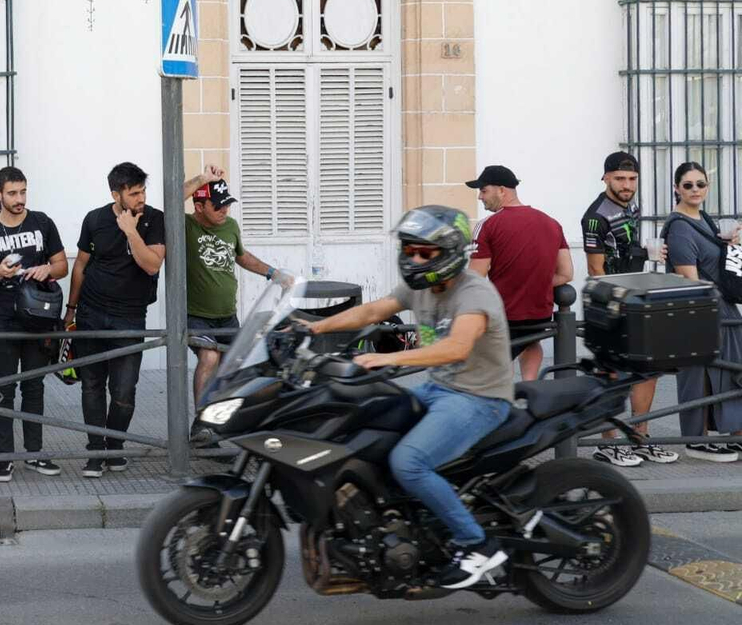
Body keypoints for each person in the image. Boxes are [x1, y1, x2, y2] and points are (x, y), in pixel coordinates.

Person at [309, 206, 514, 589]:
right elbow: (371, 310)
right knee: (367, 420)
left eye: (426, 253)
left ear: (450, 252)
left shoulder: (474, 293)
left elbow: (456, 348)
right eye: (410, 250)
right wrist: (313, 327)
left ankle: (478, 545)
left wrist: (388, 358)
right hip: (440, 388)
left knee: (409, 462)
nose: (415, 259)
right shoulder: (420, 287)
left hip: (479, 397)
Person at [64, 162, 165, 477]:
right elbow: (80, 265)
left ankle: (115, 446)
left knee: (124, 392)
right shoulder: (94, 219)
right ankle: (96, 452)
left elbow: (151, 265)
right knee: (92, 385)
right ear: (115, 194)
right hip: (91, 314)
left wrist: (131, 230)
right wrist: (71, 310)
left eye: (143, 191)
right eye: (134, 193)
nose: (141, 198)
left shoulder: (155, 219)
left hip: (130, 317)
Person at [0, 166, 68, 482]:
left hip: (38, 319)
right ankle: (4, 458)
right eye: (12, 193)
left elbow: (62, 265)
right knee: (4, 387)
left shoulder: (42, 222)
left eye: (23, 191)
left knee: (35, 386)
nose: (19, 199)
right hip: (1, 320)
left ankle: (34, 454)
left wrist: (46, 270)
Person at [582, 153, 677, 467]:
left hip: (636, 301)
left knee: (647, 371)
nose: (627, 185)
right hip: (610, 305)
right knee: (611, 373)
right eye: (620, 179)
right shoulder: (596, 216)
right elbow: (596, 270)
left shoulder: (631, 207)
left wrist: (644, 257)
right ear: (605, 178)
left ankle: (640, 438)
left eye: (632, 179)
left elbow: (625, 254)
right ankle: (608, 444)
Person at [183, 168, 288, 400]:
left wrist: (273, 273)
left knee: (239, 363)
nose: (225, 210)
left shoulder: (230, 225)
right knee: (210, 357)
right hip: (197, 316)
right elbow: (170, 201)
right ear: (199, 207)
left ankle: (224, 418)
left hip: (227, 315)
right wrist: (202, 179)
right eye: (218, 206)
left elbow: (241, 256)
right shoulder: (186, 226)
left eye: (227, 204)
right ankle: (201, 422)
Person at [662, 161, 742, 462]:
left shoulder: (705, 220)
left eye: (701, 184)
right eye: (688, 185)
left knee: (730, 373)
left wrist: (731, 242)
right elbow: (689, 281)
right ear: (676, 188)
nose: (695, 190)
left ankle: (732, 436)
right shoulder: (681, 228)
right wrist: (704, 317)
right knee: (701, 376)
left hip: (723, 311)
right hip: (704, 312)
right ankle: (696, 440)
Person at [466, 165, 572, 382]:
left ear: (502, 190)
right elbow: (566, 273)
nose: (480, 197)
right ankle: (530, 387)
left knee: (480, 373)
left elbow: (475, 277)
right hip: (540, 314)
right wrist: (536, 283)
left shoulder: (487, 226)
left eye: (484, 191)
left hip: (504, 314)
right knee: (531, 342)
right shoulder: (552, 223)